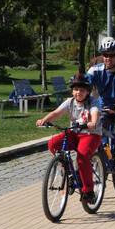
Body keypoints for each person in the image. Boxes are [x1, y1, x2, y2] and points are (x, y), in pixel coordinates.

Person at [36, 74, 102, 203]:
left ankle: (88, 191)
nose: (78, 93)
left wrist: (93, 122)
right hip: (74, 133)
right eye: (76, 89)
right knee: (53, 144)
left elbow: (95, 112)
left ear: (88, 91)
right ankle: (69, 171)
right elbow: (57, 113)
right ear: (72, 91)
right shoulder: (70, 102)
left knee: (82, 157)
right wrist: (44, 120)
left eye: (82, 90)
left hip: (90, 134)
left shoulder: (92, 101)